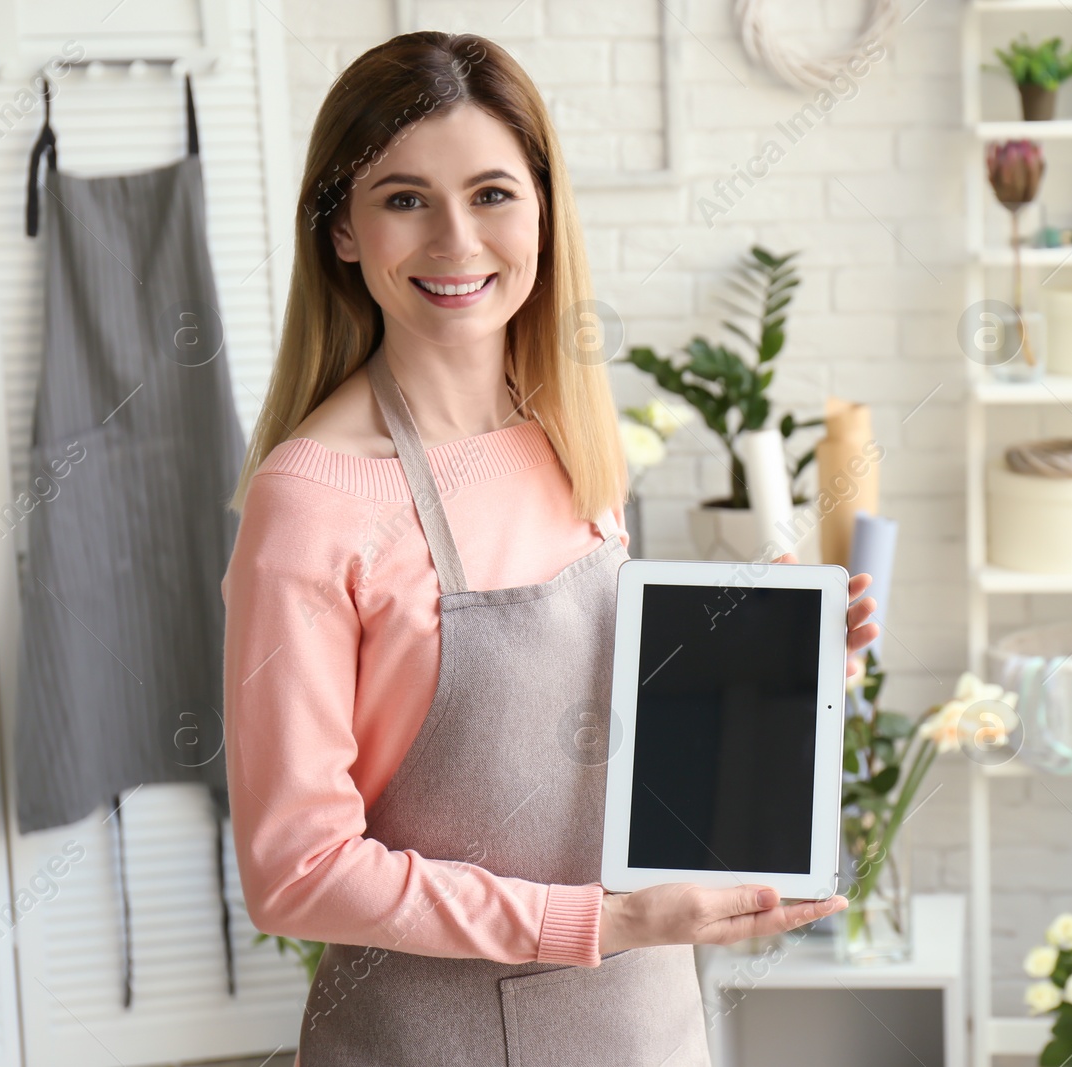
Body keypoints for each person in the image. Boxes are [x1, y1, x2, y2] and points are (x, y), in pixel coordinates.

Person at [221, 31, 879, 1065]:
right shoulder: (310, 500)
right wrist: (595, 924)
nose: (455, 239)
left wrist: (778, 665)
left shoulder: (563, 428)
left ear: (541, 209)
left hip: (642, 1018)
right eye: (403, 198)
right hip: (431, 1039)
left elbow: (591, 728)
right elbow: (294, 869)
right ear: (342, 230)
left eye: (491, 193)